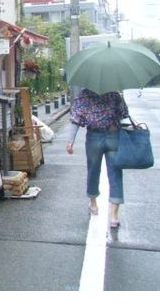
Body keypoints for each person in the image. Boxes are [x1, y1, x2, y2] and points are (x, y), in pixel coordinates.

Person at [66, 88, 129, 228]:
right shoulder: (113, 93)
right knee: (115, 173)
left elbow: (75, 119)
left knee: (93, 170)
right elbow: (124, 113)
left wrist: (70, 141)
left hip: (94, 136)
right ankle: (114, 216)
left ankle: (93, 204)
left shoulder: (83, 95)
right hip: (113, 136)